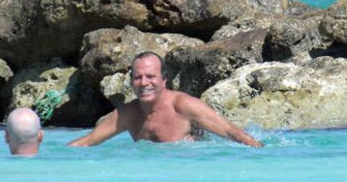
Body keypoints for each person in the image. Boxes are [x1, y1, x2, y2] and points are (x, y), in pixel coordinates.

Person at [68, 51, 263, 148]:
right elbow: (87, 142)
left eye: (151, 76)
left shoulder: (184, 106)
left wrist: (263, 155)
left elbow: (232, 132)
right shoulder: (127, 114)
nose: (144, 82)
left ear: (164, 79)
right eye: (138, 77)